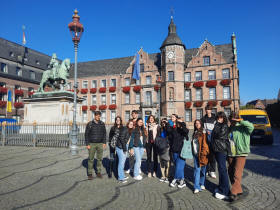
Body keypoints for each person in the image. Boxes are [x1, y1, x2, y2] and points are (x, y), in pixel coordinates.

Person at [228, 111, 254, 201]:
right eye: (231, 119)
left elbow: (251, 126)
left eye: (234, 119)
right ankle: (238, 189)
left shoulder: (244, 128)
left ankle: (233, 192)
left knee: (237, 173)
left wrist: (240, 121)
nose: (233, 121)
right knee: (230, 172)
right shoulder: (230, 128)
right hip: (231, 153)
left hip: (241, 153)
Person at [211, 111, 230, 200]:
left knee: (222, 170)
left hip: (221, 150)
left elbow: (219, 135)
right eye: (218, 117)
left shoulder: (224, 126)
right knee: (220, 169)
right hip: (217, 149)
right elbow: (213, 136)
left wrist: (217, 125)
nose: (219, 119)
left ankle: (225, 190)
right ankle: (221, 187)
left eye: (221, 117)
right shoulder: (218, 125)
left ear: (224, 118)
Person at [168, 114, 189, 188]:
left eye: (173, 117)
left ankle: (175, 178)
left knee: (179, 165)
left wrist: (182, 123)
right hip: (174, 149)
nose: (171, 118)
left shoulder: (182, 128)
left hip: (182, 149)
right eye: (171, 117)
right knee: (178, 165)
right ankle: (182, 180)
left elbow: (186, 131)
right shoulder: (173, 128)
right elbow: (169, 135)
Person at [85, 111, 106, 180]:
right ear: (94, 116)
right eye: (97, 115)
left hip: (100, 144)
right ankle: (90, 173)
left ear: (100, 116)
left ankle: (98, 172)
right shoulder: (90, 124)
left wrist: (104, 142)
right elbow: (86, 134)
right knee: (91, 159)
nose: (98, 117)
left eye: (99, 115)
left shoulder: (102, 124)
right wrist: (87, 144)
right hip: (92, 143)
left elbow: (104, 134)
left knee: (99, 159)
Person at [192, 119, 209, 194]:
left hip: (202, 154)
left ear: (201, 124)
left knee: (203, 170)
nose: (197, 124)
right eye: (196, 123)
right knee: (197, 170)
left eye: (198, 123)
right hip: (196, 154)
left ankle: (202, 183)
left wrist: (203, 153)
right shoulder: (195, 132)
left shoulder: (203, 132)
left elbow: (205, 144)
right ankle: (196, 186)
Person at [202, 105, 217, 179]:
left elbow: (217, 128)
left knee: (213, 156)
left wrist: (212, 132)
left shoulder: (215, 118)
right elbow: (202, 128)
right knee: (207, 155)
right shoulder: (203, 119)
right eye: (206, 109)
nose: (207, 111)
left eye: (209, 109)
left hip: (213, 139)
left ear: (211, 110)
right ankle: (207, 170)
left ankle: (213, 171)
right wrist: (206, 131)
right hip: (206, 140)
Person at [116, 118, 131, 184]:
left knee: (123, 162)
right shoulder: (125, 129)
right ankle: (120, 178)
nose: (131, 125)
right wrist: (125, 148)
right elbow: (121, 138)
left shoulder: (128, 130)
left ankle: (122, 175)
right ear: (127, 124)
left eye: (132, 124)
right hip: (121, 147)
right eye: (130, 124)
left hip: (124, 146)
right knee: (121, 163)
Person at [157, 118, 170, 183]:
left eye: (164, 122)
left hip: (167, 147)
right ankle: (163, 176)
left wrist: (167, 124)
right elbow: (158, 137)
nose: (163, 123)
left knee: (167, 162)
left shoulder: (168, 128)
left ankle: (167, 176)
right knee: (161, 162)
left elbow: (169, 132)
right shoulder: (159, 129)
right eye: (162, 122)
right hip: (160, 147)